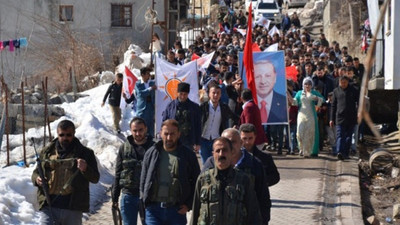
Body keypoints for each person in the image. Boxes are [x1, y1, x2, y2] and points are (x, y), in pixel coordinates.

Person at [31, 120, 100, 225]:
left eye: (68, 135)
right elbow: (36, 172)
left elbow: (95, 178)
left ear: (74, 134)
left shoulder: (85, 153)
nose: (65, 138)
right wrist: (37, 179)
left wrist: (85, 168)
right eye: (62, 135)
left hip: (73, 209)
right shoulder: (47, 152)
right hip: (49, 206)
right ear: (57, 134)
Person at [202, 128, 271, 225]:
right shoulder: (211, 164)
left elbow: (263, 198)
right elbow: (200, 199)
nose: (229, 146)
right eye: (226, 142)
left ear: (241, 143)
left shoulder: (254, 164)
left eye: (233, 142)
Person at [140, 119, 200, 225]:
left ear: (179, 134)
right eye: (166, 134)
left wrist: (188, 204)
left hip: (176, 211)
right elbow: (144, 179)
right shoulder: (152, 153)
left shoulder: (188, 155)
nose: (169, 137)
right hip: (154, 210)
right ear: (160, 134)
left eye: (172, 134)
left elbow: (196, 181)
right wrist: (145, 201)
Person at [190, 137, 262, 225]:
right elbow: (195, 212)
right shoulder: (203, 179)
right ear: (213, 154)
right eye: (218, 151)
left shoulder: (243, 180)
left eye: (225, 150)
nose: (221, 154)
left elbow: (253, 213)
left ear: (232, 153)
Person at [112, 117, 155, 225]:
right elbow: (118, 173)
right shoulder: (124, 148)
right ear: (131, 131)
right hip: (128, 196)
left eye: (140, 130)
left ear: (146, 129)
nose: (138, 133)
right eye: (135, 131)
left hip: (149, 197)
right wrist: (115, 197)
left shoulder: (154, 148)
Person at [200, 83, 239, 163]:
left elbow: (235, 117)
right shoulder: (203, 107)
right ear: (209, 94)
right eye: (213, 93)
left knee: (216, 162)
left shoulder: (223, 107)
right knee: (206, 163)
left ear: (220, 95)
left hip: (216, 139)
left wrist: (235, 125)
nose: (215, 95)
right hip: (203, 139)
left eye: (218, 93)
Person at [162, 82, 201, 152]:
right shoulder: (170, 106)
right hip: (173, 139)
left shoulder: (195, 107)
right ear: (177, 93)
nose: (183, 96)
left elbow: (198, 125)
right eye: (181, 94)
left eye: (185, 94)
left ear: (188, 94)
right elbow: (164, 123)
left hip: (188, 140)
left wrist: (198, 142)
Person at [291, 77, 324, 157]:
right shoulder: (299, 93)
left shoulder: (314, 92)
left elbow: (322, 100)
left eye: (309, 84)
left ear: (311, 85)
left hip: (311, 115)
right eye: (306, 84)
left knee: (310, 132)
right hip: (301, 114)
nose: (307, 85)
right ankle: (301, 149)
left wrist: (316, 98)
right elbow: (294, 102)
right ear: (303, 85)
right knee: (300, 132)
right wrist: (288, 95)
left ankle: (308, 151)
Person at [330, 76, 359, 160]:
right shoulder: (336, 91)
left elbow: (359, 103)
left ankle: (346, 153)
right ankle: (339, 152)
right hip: (340, 117)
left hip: (351, 117)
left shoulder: (354, 90)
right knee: (340, 135)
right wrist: (331, 119)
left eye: (344, 83)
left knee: (348, 136)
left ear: (347, 82)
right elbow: (333, 105)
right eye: (341, 83)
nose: (343, 84)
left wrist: (358, 113)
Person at [254, 60, 287, 124]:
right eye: (258, 76)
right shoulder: (248, 102)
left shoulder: (284, 102)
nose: (263, 82)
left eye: (268, 76)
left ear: (275, 78)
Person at [135, 67, 156, 137]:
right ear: (142, 75)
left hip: (151, 107)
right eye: (147, 74)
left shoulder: (152, 83)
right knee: (142, 126)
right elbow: (141, 94)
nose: (149, 75)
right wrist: (150, 89)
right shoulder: (138, 84)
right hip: (142, 109)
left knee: (151, 126)